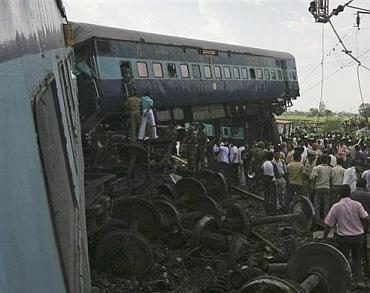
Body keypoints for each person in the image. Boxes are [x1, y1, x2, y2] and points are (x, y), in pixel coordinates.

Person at [324, 184, 369, 287]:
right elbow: (366, 218)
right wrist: (366, 228)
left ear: (339, 194)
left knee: (343, 259)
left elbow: (328, 224)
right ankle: (359, 281)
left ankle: (345, 281)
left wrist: (325, 238)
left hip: (344, 238)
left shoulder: (336, 206)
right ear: (350, 193)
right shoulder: (357, 204)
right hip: (359, 236)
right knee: (357, 258)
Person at [310, 155, 332, 223]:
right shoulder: (330, 168)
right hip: (327, 187)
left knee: (317, 204)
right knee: (326, 204)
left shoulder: (317, 168)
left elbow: (314, 178)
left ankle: (317, 218)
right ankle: (326, 219)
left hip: (318, 187)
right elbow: (331, 179)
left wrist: (312, 187)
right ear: (327, 160)